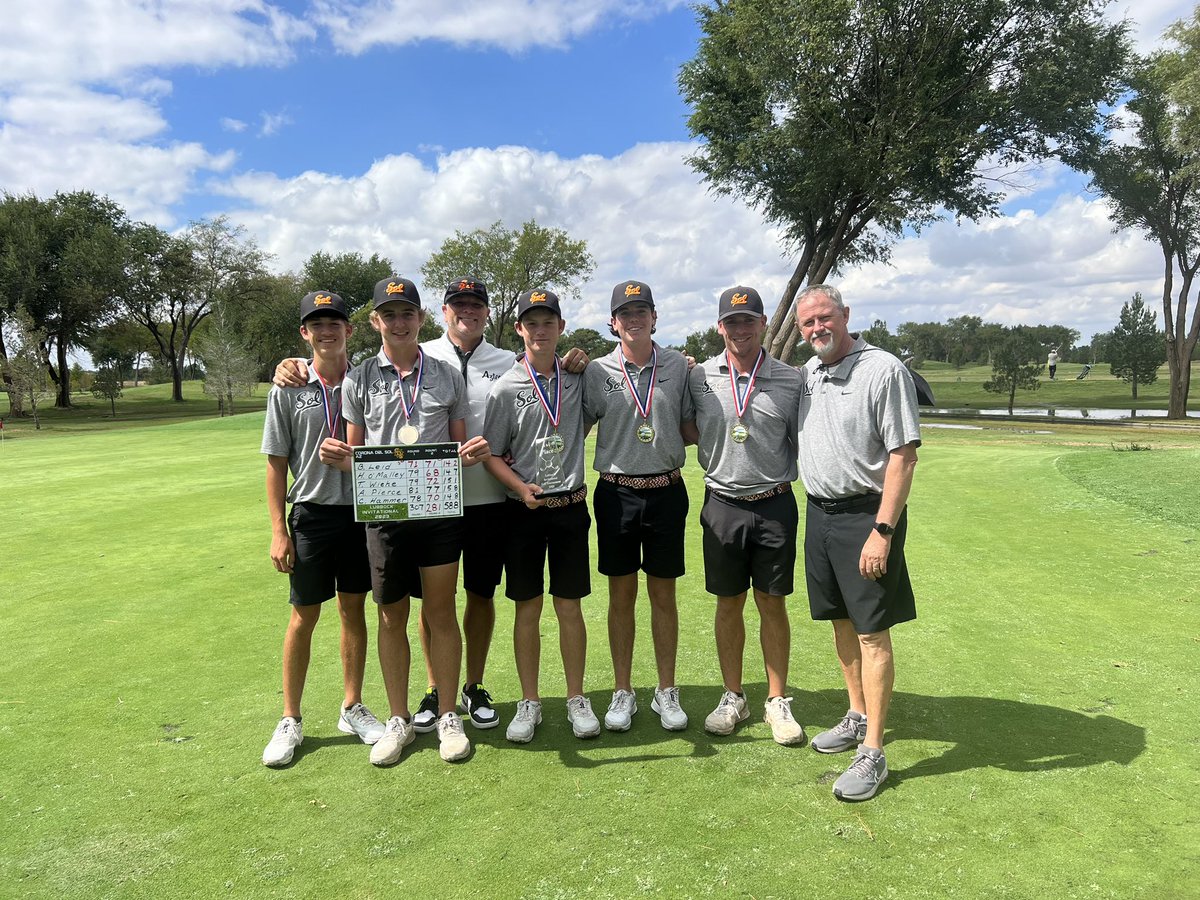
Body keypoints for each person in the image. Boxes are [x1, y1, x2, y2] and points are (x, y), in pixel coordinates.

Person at [274, 280, 588, 736]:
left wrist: (575, 358)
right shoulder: (419, 357)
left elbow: (548, 371)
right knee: (420, 604)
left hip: (490, 500)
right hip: (413, 506)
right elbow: (346, 410)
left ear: (488, 312)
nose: (468, 312)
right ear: (441, 313)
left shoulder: (507, 360)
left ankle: (472, 687)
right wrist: (294, 364)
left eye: (476, 305)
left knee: (477, 596)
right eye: (459, 305)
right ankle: (433, 691)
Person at [318, 276, 490, 765]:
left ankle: (448, 714)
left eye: (407, 313)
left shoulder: (446, 375)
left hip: (437, 512)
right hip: (385, 515)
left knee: (440, 612)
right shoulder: (359, 378)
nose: (399, 322)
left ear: (421, 318)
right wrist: (342, 458)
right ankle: (399, 719)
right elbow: (355, 450)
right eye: (389, 314)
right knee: (391, 616)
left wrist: (468, 454)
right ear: (375, 321)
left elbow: (456, 444)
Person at [794, 283, 920, 802]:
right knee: (841, 622)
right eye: (808, 322)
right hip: (819, 514)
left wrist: (882, 532)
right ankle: (857, 713)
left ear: (845, 315)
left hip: (867, 517)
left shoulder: (883, 369)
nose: (818, 328)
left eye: (825, 317)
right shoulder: (808, 372)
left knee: (871, 633)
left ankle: (873, 751)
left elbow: (904, 456)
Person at [260, 290, 385, 767]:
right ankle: (290, 717)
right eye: (317, 324)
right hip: (312, 514)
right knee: (303, 615)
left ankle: (352, 706)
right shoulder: (287, 386)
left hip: (361, 513)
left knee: (354, 610)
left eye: (335, 323)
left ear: (350, 329)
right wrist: (279, 530)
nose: (327, 331)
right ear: (304, 333)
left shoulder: (369, 381)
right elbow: (276, 464)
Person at [683, 286, 806, 747]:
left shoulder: (790, 379)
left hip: (774, 503)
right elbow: (686, 425)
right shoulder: (699, 376)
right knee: (728, 602)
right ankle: (733, 696)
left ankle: (776, 700)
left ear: (763, 324)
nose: (740, 329)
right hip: (723, 504)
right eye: (732, 321)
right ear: (720, 327)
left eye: (748, 320)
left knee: (772, 602)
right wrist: (719, 449)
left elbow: (802, 438)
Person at [482, 288, 601, 744]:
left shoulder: (578, 377)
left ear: (561, 326)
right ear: (519, 329)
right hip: (523, 512)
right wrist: (518, 487)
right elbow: (492, 454)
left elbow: (598, 406)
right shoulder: (505, 387)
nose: (540, 330)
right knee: (527, 606)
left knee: (569, 606)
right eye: (531, 323)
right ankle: (529, 700)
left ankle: (576, 697)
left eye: (548, 321)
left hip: (570, 509)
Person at [585, 280, 695, 732]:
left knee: (663, 596)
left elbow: (691, 425)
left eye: (641, 311)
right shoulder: (595, 371)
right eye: (625, 314)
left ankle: (666, 689)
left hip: (667, 492)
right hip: (617, 494)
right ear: (613, 323)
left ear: (654, 317)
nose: (634, 320)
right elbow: (572, 423)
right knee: (621, 597)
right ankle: (623, 690)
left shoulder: (679, 366)